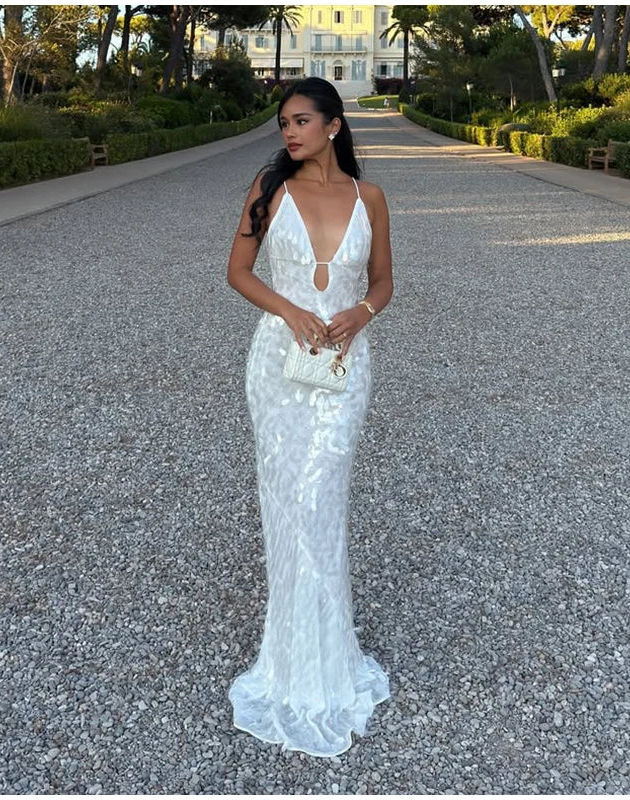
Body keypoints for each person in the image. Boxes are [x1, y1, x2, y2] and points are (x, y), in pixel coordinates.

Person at [226, 77, 393, 757]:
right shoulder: (270, 193)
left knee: (322, 494)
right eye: (283, 124)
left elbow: (384, 280)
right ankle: (291, 659)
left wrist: (364, 311)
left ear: (333, 124)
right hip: (277, 366)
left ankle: (329, 657)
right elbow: (238, 270)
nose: (288, 133)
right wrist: (288, 309)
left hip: (346, 365)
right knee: (285, 501)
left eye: (299, 121)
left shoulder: (371, 198)